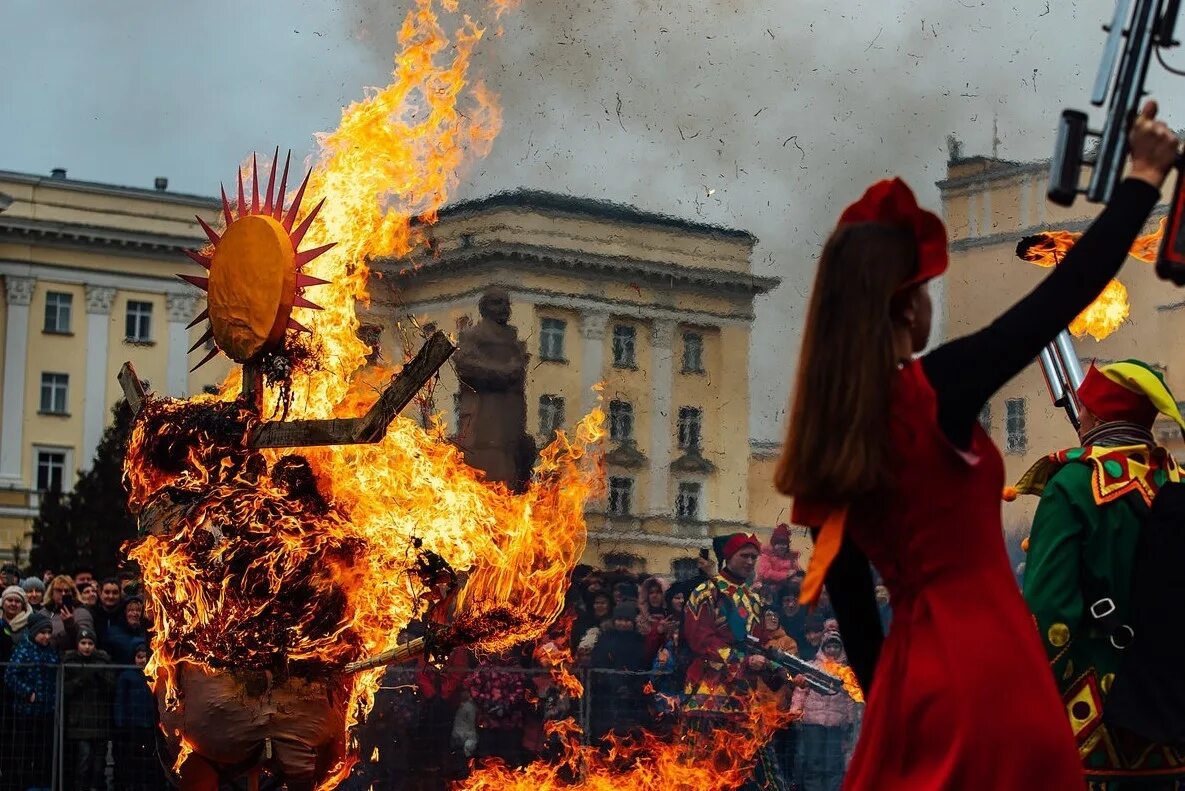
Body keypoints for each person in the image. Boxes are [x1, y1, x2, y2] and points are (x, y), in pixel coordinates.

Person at [775, 101, 1180, 788]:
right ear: (905, 306)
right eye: (926, 287)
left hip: (910, 683)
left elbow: (854, 614)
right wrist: (1142, 175)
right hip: (990, 669)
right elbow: (1060, 296)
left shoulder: (824, 441)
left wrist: (900, 708)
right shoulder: (932, 391)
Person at [1017, 359, 1185, 785]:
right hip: (1173, 719)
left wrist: (1033, 705)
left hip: (1093, 728)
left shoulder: (1072, 485)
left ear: (1092, 416)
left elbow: (1048, 612)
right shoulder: (1178, 481)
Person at [682, 532, 789, 790]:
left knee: (753, 773)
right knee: (699, 773)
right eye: (745, 555)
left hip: (744, 698)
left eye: (754, 556)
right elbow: (701, 640)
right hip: (706, 695)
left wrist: (783, 676)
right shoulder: (704, 592)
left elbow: (760, 646)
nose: (751, 561)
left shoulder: (753, 599)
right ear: (729, 557)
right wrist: (742, 661)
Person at [790, 625, 860, 791]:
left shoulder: (847, 672)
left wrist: (851, 721)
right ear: (823, 647)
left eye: (836, 646)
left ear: (841, 648)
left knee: (833, 763)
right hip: (813, 723)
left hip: (836, 724)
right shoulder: (812, 667)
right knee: (813, 761)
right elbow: (801, 691)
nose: (833, 649)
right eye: (829, 646)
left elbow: (851, 699)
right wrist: (796, 711)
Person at [5, 612, 59, 791]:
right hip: (26, 712)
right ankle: (25, 784)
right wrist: (28, 692)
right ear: (34, 632)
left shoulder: (51, 650)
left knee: (43, 752)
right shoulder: (23, 650)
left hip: (47, 710)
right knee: (25, 752)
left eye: (48, 632)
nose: (46, 636)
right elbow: (11, 675)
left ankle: (42, 784)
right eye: (42, 632)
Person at [589, 602, 650, 742]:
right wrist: (615, 684)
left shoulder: (639, 641)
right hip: (608, 695)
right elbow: (600, 663)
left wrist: (631, 686)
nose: (623, 623)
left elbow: (642, 666)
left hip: (633, 697)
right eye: (620, 619)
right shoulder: (605, 639)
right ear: (614, 620)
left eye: (627, 620)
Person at [63, 628, 113, 791]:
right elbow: (65, 689)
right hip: (79, 723)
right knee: (83, 762)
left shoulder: (103, 663)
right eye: (83, 643)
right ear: (77, 645)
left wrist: (99, 677)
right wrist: (80, 680)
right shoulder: (70, 663)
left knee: (99, 764)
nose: (86, 647)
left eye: (90, 643)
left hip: (99, 721)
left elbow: (111, 688)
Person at [114, 643, 164, 791]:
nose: (142, 660)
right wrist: (120, 722)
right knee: (132, 759)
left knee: (149, 759)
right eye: (139, 657)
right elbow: (120, 700)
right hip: (132, 725)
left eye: (144, 657)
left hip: (149, 724)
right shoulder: (126, 676)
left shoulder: (153, 675)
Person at [41, 573, 94, 652]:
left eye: (66, 591)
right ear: (52, 593)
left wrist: (71, 625)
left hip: (72, 659)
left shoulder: (82, 613)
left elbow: (87, 639)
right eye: (59, 590)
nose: (63, 594)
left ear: (72, 594)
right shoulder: (43, 613)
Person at [757, 524, 800, 592]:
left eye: (784, 543)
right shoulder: (766, 555)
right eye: (778, 543)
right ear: (773, 544)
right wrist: (786, 575)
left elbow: (797, 572)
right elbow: (766, 573)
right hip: (767, 589)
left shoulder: (791, 557)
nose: (781, 546)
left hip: (785, 591)